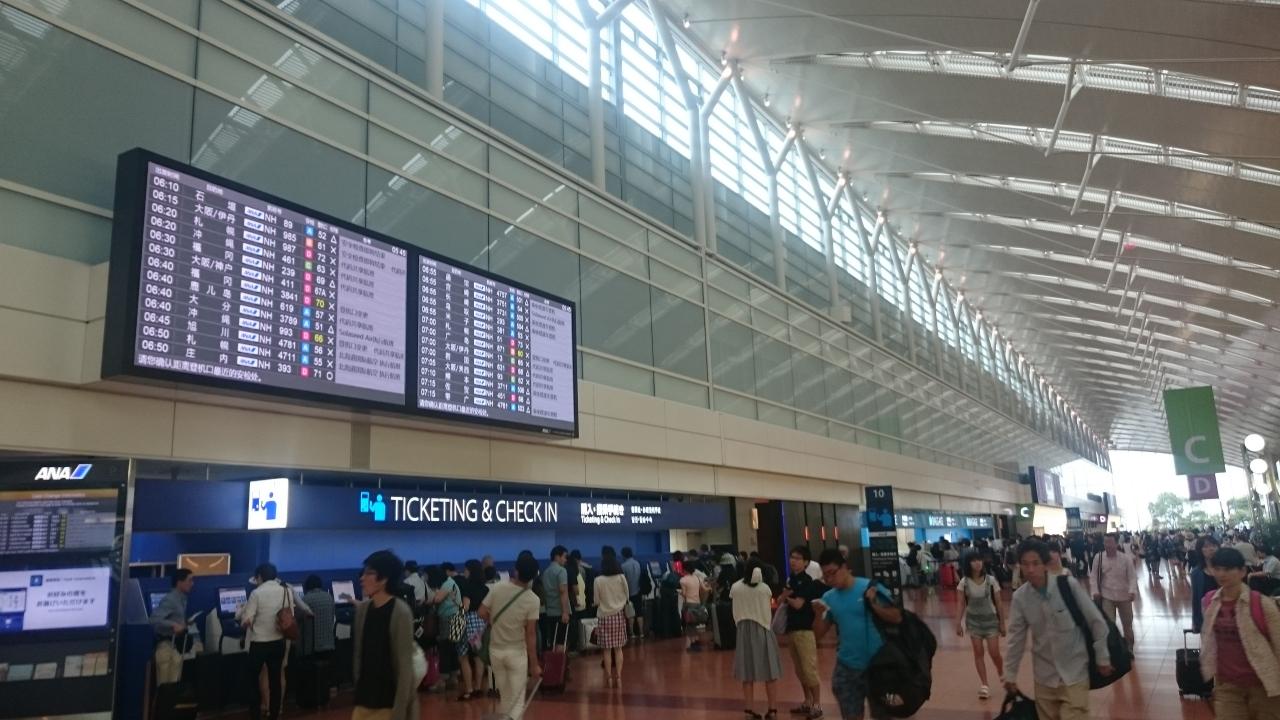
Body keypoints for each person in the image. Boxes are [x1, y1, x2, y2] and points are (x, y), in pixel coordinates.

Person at [1003, 540, 1112, 720]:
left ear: (1045, 564)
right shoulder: (1020, 598)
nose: (1030, 569)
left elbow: (1096, 621)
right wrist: (1010, 674)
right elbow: (1016, 639)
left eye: (1035, 563)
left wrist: (1102, 656)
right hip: (1044, 678)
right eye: (1025, 564)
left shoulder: (1067, 586)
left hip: (1074, 673)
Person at [811, 548, 902, 720]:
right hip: (847, 668)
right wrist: (817, 615)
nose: (829, 579)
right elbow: (817, 635)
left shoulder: (870, 587)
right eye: (825, 576)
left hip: (878, 665)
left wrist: (874, 605)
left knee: (883, 715)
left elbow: (897, 617)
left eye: (832, 573)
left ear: (844, 567)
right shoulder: (829, 598)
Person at [1201, 547, 1280, 720]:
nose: (1222, 574)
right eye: (1217, 569)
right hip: (1227, 686)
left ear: (1242, 571)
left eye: (1228, 569)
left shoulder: (1262, 604)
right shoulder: (1209, 602)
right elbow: (1209, 640)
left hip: (1264, 686)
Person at [238, 564, 312, 720]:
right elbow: (290, 614)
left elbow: (246, 620)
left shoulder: (256, 593)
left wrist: (242, 615)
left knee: (253, 680)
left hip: (259, 644)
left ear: (259, 577)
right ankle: (275, 714)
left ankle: (256, 714)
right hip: (278, 643)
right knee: (275, 680)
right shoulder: (286, 590)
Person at [352, 550, 419, 720]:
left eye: (369, 573)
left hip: (387, 705)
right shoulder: (363, 611)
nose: (362, 578)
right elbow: (360, 655)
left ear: (384, 579)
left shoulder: (401, 612)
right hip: (363, 701)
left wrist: (400, 710)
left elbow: (404, 667)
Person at [480, 554, 542, 720]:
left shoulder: (498, 587)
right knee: (517, 701)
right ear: (533, 576)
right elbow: (530, 634)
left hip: (496, 651)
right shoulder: (533, 600)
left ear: (516, 570)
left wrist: (493, 622)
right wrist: (534, 664)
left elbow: (481, 611)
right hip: (516, 653)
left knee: (506, 698)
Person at [731, 558, 782, 720]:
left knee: (747, 673)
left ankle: (748, 710)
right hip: (763, 628)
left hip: (743, 631)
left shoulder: (735, 587)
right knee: (770, 671)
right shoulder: (764, 588)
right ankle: (772, 710)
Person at [780, 546, 825, 719]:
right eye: (792, 557)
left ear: (806, 562)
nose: (793, 561)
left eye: (798, 558)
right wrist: (786, 596)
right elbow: (783, 599)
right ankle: (807, 701)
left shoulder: (807, 582)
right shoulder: (791, 579)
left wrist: (786, 597)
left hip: (805, 630)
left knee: (809, 669)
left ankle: (817, 704)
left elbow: (799, 605)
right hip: (792, 629)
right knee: (799, 670)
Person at [955, 552, 1004, 699]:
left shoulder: (991, 580)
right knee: (978, 652)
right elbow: (961, 603)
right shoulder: (963, 582)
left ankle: (1001, 671)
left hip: (991, 621)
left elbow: (999, 602)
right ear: (968, 564)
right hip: (973, 622)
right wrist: (958, 623)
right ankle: (984, 685)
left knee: (994, 652)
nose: (977, 563)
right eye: (974, 561)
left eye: (979, 560)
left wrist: (1002, 623)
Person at [1090, 533, 1138, 650]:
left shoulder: (1125, 558)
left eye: (1110, 542)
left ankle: (1129, 648)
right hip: (1107, 596)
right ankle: (1114, 649)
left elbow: (1132, 576)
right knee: (1109, 625)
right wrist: (1095, 591)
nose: (1107, 545)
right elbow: (1093, 576)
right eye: (1105, 542)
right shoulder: (1098, 558)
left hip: (1124, 596)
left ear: (1116, 543)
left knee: (1127, 625)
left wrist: (1132, 591)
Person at [151, 568, 195, 685]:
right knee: (165, 687)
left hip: (176, 647)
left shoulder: (182, 599)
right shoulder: (170, 600)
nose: (192, 584)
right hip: (166, 647)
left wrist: (185, 623)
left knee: (173, 686)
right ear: (179, 582)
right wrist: (173, 625)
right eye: (189, 580)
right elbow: (154, 619)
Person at [593, 554, 630, 687]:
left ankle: (608, 678)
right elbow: (627, 596)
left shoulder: (598, 580)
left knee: (607, 650)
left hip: (604, 617)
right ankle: (619, 677)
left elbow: (596, 601)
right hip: (619, 616)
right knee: (618, 649)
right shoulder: (621, 578)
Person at [455, 559, 490, 701]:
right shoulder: (485, 588)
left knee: (463, 656)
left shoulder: (467, 586)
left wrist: (457, 613)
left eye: (465, 569)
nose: (464, 572)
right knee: (478, 656)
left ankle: (469, 689)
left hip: (468, 622)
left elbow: (466, 606)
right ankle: (478, 688)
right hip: (481, 623)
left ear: (470, 571)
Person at [431, 562, 464, 683]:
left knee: (445, 647)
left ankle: (443, 678)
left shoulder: (447, 584)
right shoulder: (451, 582)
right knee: (451, 648)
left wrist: (433, 593)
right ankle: (454, 676)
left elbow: (437, 599)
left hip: (448, 618)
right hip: (455, 617)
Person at [540, 546, 570, 650]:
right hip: (560, 612)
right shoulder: (561, 571)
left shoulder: (545, 572)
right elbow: (563, 591)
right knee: (560, 641)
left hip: (549, 612)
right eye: (564, 557)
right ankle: (559, 660)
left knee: (552, 640)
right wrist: (565, 612)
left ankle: (552, 659)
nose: (566, 560)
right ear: (557, 556)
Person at [679, 556, 711, 651]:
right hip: (697, 604)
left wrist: (679, 592)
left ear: (684, 569)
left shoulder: (683, 580)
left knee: (689, 625)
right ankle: (696, 641)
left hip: (688, 604)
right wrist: (710, 587)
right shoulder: (697, 578)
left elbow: (684, 594)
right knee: (695, 623)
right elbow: (704, 589)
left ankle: (693, 643)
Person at [301, 574, 337, 659]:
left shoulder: (306, 599)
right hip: (329, 644)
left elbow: (301, 621)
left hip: (312, 647)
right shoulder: (329, 597)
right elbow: (332, 617)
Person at [1192, 536, 1222, 633]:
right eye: (1206, 546)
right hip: (1207, 615)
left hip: (1227, 614)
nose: (1211, 548)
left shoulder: (1226, 568)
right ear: (1200, 550)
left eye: (1214, 545)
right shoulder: (1196, 573)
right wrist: (1195, 621)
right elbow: (1196, 598)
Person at [620, 547, 644, 638]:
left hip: (628, 593)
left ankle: (632, 633)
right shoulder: (637, 563)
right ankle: (641, 632)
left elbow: (623, 581)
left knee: (630, 614)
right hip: (638, 591)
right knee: (639, 613)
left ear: (623, 555)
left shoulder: (623, 566)